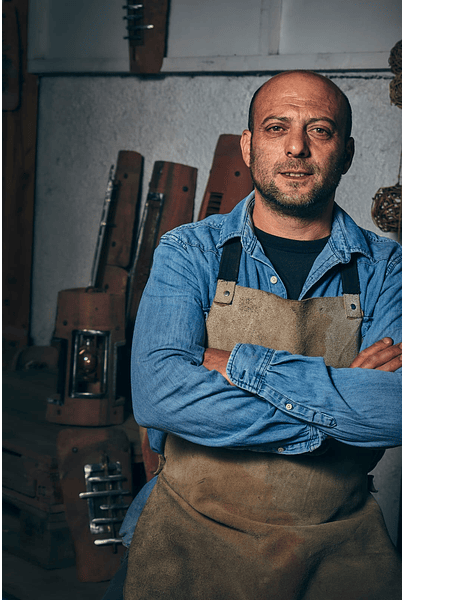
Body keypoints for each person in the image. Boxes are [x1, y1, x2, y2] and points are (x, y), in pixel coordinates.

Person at [102, 70, 402, 600]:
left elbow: (399, 408)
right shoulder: (190, 251)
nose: (296, 147)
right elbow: (158, 394)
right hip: (188, 540)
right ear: (248, 146)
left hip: (338, 550)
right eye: (276, 127)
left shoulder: (386, 267)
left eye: (320, 130)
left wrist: (240, 365)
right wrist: (335, 412)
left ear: (347, 153)